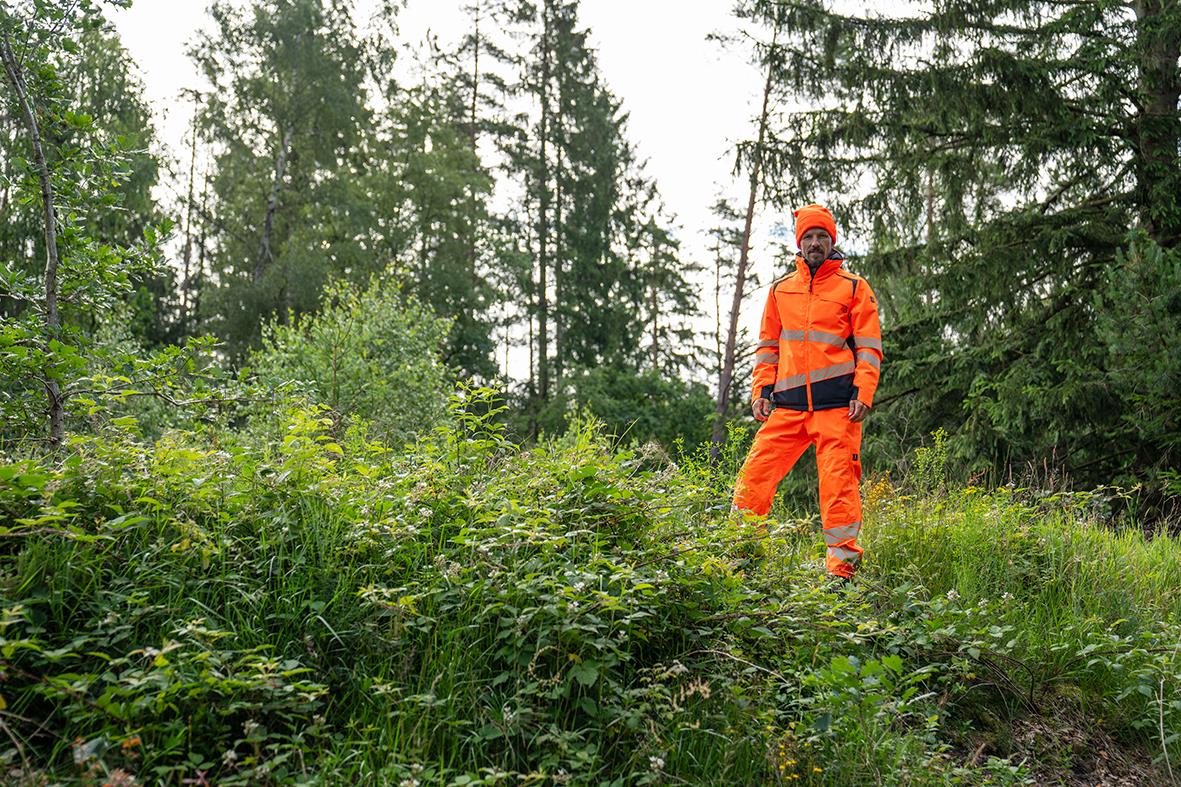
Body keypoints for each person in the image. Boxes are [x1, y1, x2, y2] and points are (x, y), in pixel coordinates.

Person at [732, 203, 883, 582]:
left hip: (838, 409)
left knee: (838, 488)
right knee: (754, 477)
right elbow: (767, 346)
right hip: (787, 407)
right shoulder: (781, 290)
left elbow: (869, 348)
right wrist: (760, 390)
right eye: (809, 237)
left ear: (832, 241)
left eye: (822, 236)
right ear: (799, 243)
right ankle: (739, 555)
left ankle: (841, 573)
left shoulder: (854, 287)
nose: (816, 243)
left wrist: (863, 391)